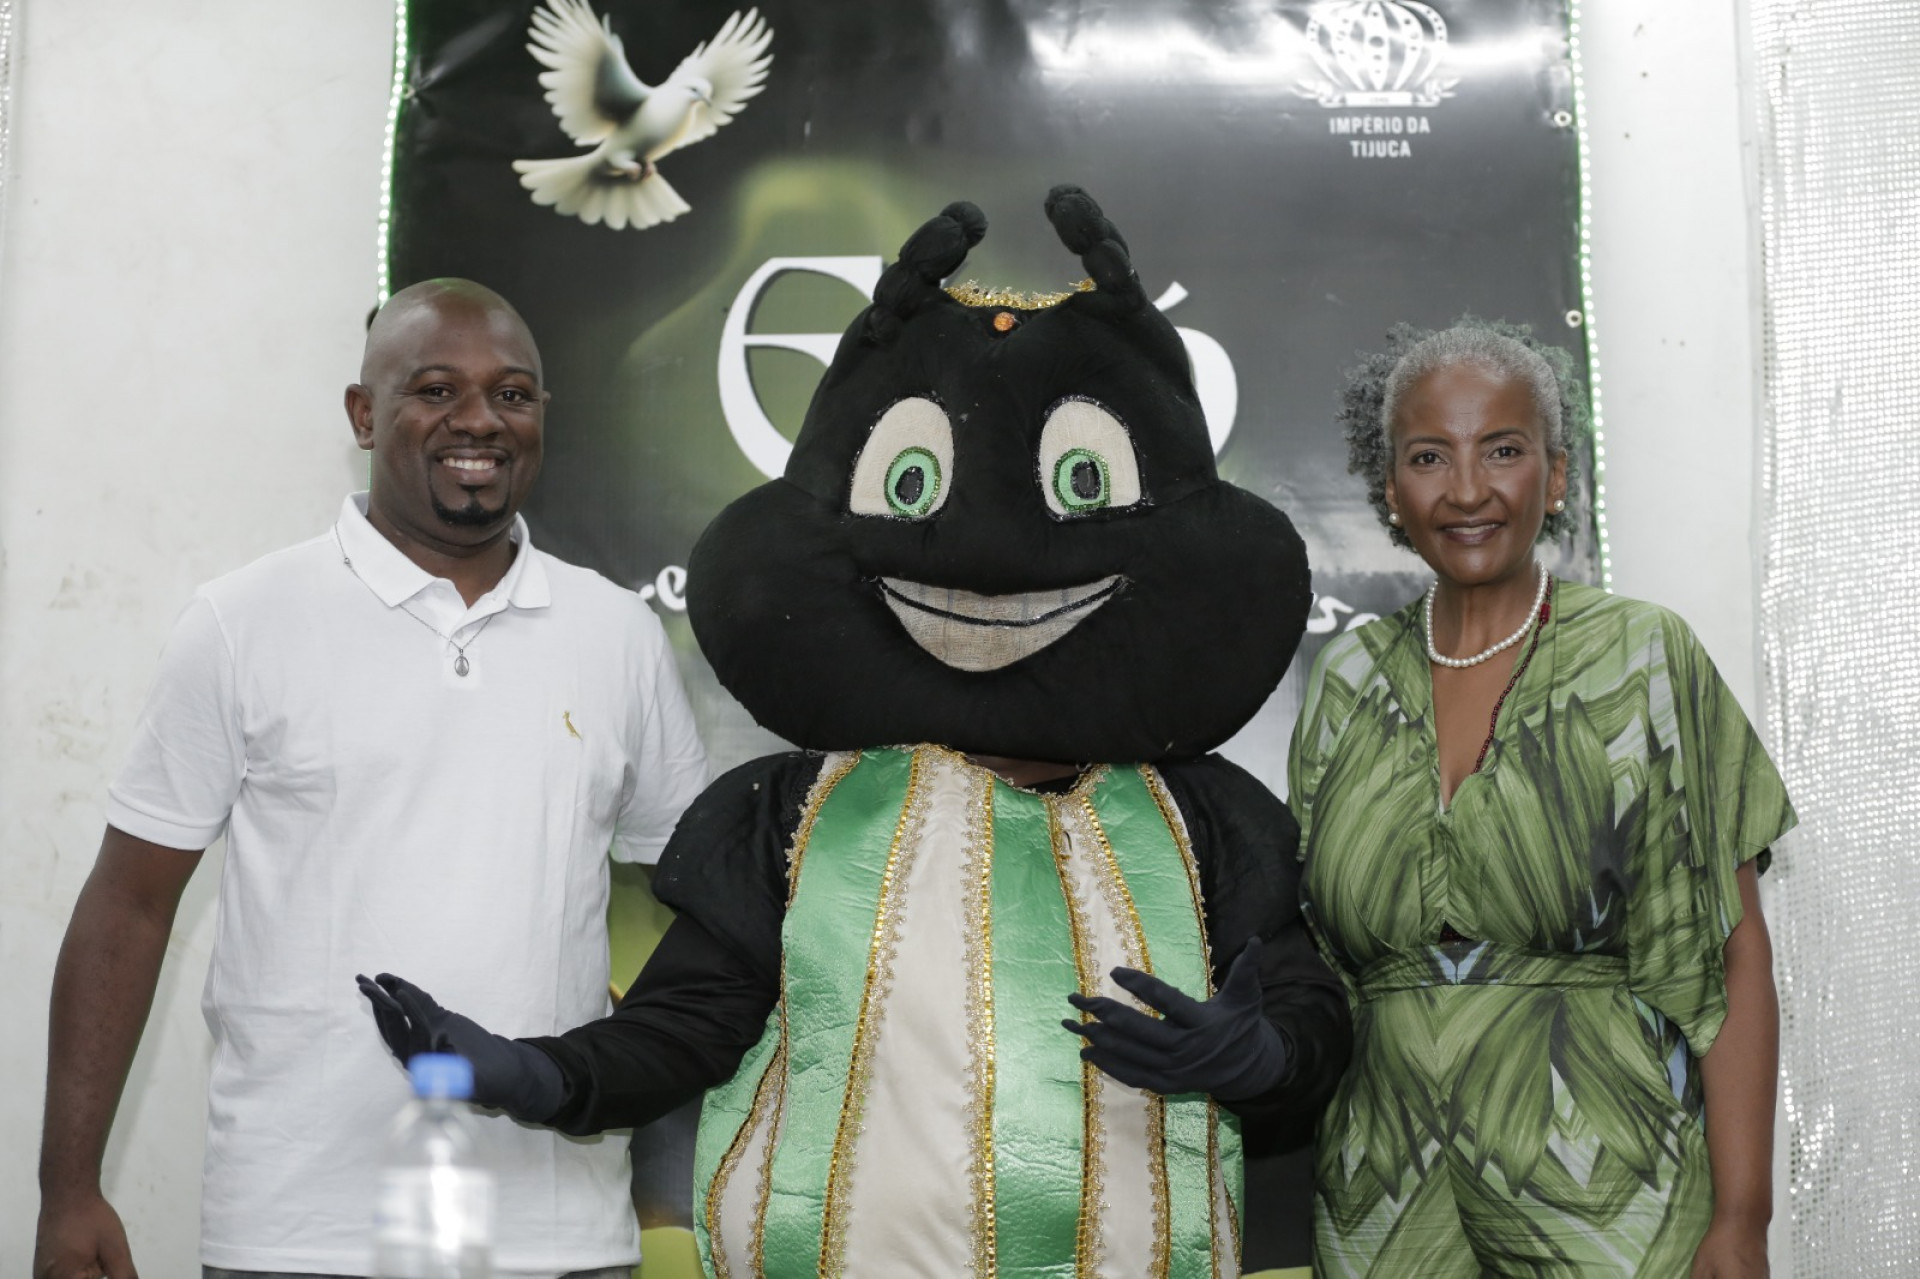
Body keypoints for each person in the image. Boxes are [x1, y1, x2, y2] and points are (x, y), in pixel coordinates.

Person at [355, 190, 1351, 1277]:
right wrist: (525, 1074)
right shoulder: (795, 812)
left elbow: (1304, 1017)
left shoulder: (1201, 818)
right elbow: (690, 1020)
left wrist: (1257, 1054)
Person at [33, 279, 708, 1279]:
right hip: (299, 1230)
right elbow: (130, 904)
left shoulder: (616, 635)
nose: (479, 419)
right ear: (364, 413)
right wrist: (69, 1188)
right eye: (436, 389)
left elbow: (693, 928)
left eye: (513, 395)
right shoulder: (243, 622)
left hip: (557, 1230)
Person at [1288, 320, 1793, 1278]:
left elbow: (1733, 950)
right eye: (1429, 456)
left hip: (1611, 1198)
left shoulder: (1645, 658)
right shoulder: (1344, 681)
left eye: (1504, 451)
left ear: (1556, 479)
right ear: (1391, 493)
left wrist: (1743, 1218)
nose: (1468, 489)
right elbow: (1322, 974)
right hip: (1381, 1211)